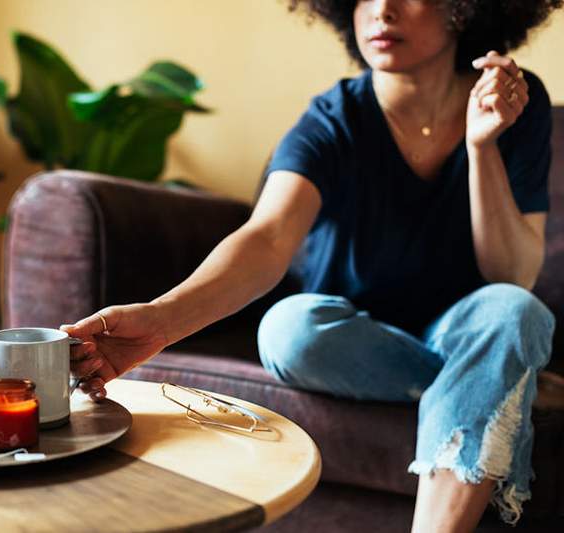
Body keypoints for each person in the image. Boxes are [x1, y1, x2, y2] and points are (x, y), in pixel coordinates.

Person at [60, 1, 563, 530]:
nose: (383, 10)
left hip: (469, 326)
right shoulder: (333, 118)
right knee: (288, 328)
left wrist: (482, 146)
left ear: (464, 8)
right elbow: (267, 238)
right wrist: (161, 322)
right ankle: (498, 375)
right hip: (351, 340)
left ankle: (491, 374)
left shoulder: (510, 102)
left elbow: (513, 275)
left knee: (512, 312)